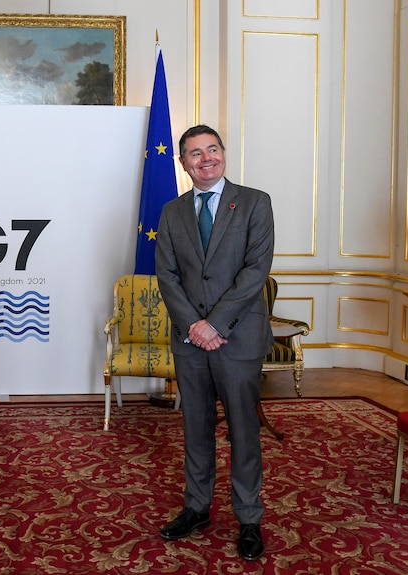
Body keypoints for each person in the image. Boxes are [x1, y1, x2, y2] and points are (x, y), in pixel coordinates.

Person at [154, 125, 275, 561]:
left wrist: (215, 324)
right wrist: (194, 326)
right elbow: (166, 276)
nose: (205, 158)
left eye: (212, 149)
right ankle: (197, 507)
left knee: (244, 430)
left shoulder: (255, 202)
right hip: (190, 341)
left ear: (223, 154)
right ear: (184, 164)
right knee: (196, 427)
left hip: (236, 338)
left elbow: (254, 271)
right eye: (194, 153)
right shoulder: (171, 212)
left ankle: (248, 517)